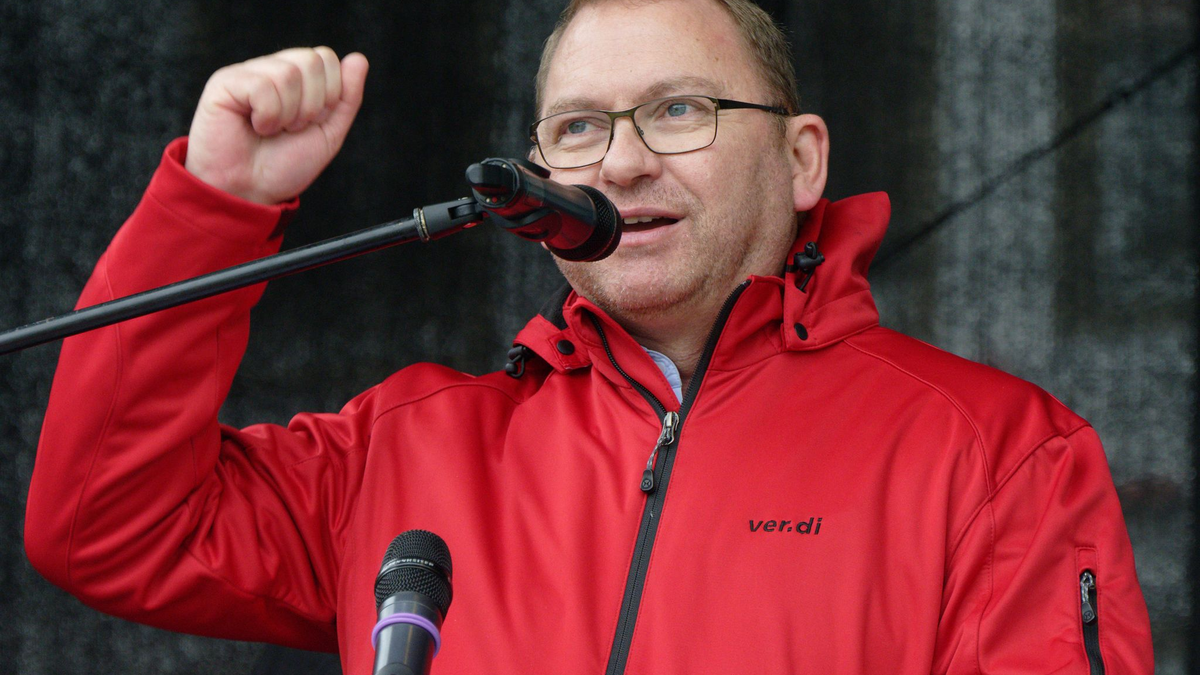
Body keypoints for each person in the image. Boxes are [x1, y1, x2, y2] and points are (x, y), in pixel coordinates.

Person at [25, 0, 1154, 672]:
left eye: (678, 110)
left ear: (802, 159)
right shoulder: (408, 449)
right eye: (578, 127)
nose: (618, 162)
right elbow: (107, 526)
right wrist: (216, 203)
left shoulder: (1003, 457)